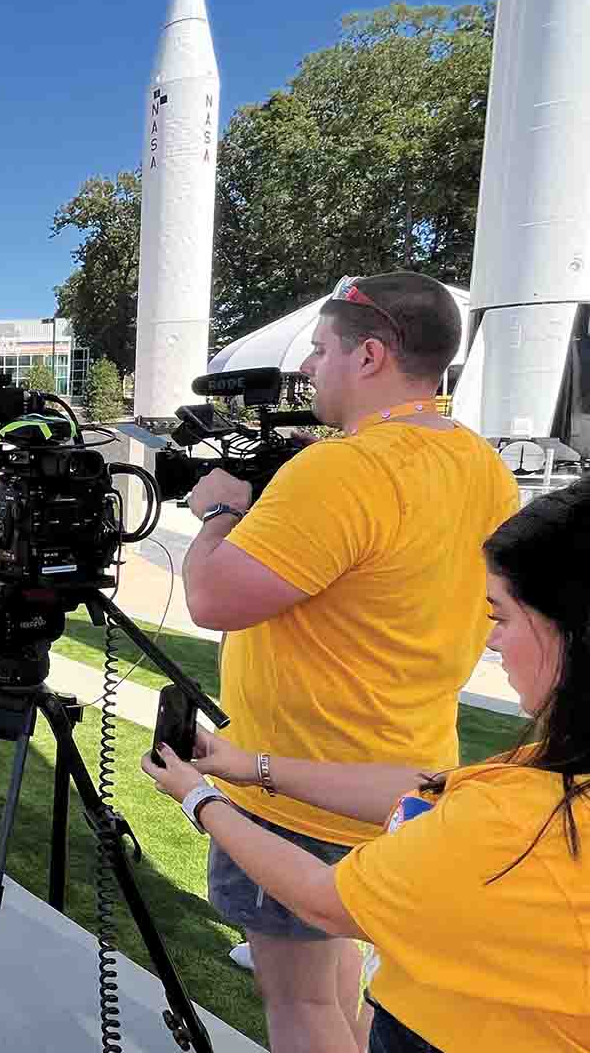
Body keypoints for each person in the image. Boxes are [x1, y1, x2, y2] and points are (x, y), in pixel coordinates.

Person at [180, 272, 519, 1051]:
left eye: (321, 349)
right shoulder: (480, 463)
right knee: (339, 983)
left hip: (296, 786)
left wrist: (221, 512)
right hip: (398, 779)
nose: (307, 369)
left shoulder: (343, 471)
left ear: (368, 357)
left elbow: (213, 600)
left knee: (298, 1009)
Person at [144, 478, 590, 1052]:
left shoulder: (517, 824)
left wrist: (197, 798)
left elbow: (321, 898)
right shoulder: (543, 781)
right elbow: (433, 790)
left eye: (501, 617)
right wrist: (246, 765)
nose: (492, 643)